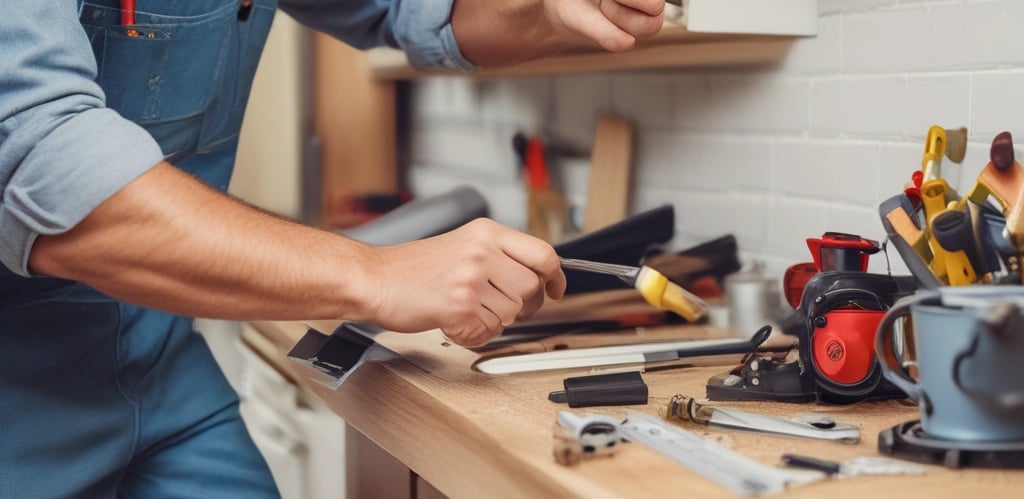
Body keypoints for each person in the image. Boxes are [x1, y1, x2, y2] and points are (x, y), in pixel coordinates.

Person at [0, 0, 665, 497]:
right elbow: (37, 165)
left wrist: (545, 8)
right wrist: (376, 274)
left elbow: (417, 9)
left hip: (161, 371)